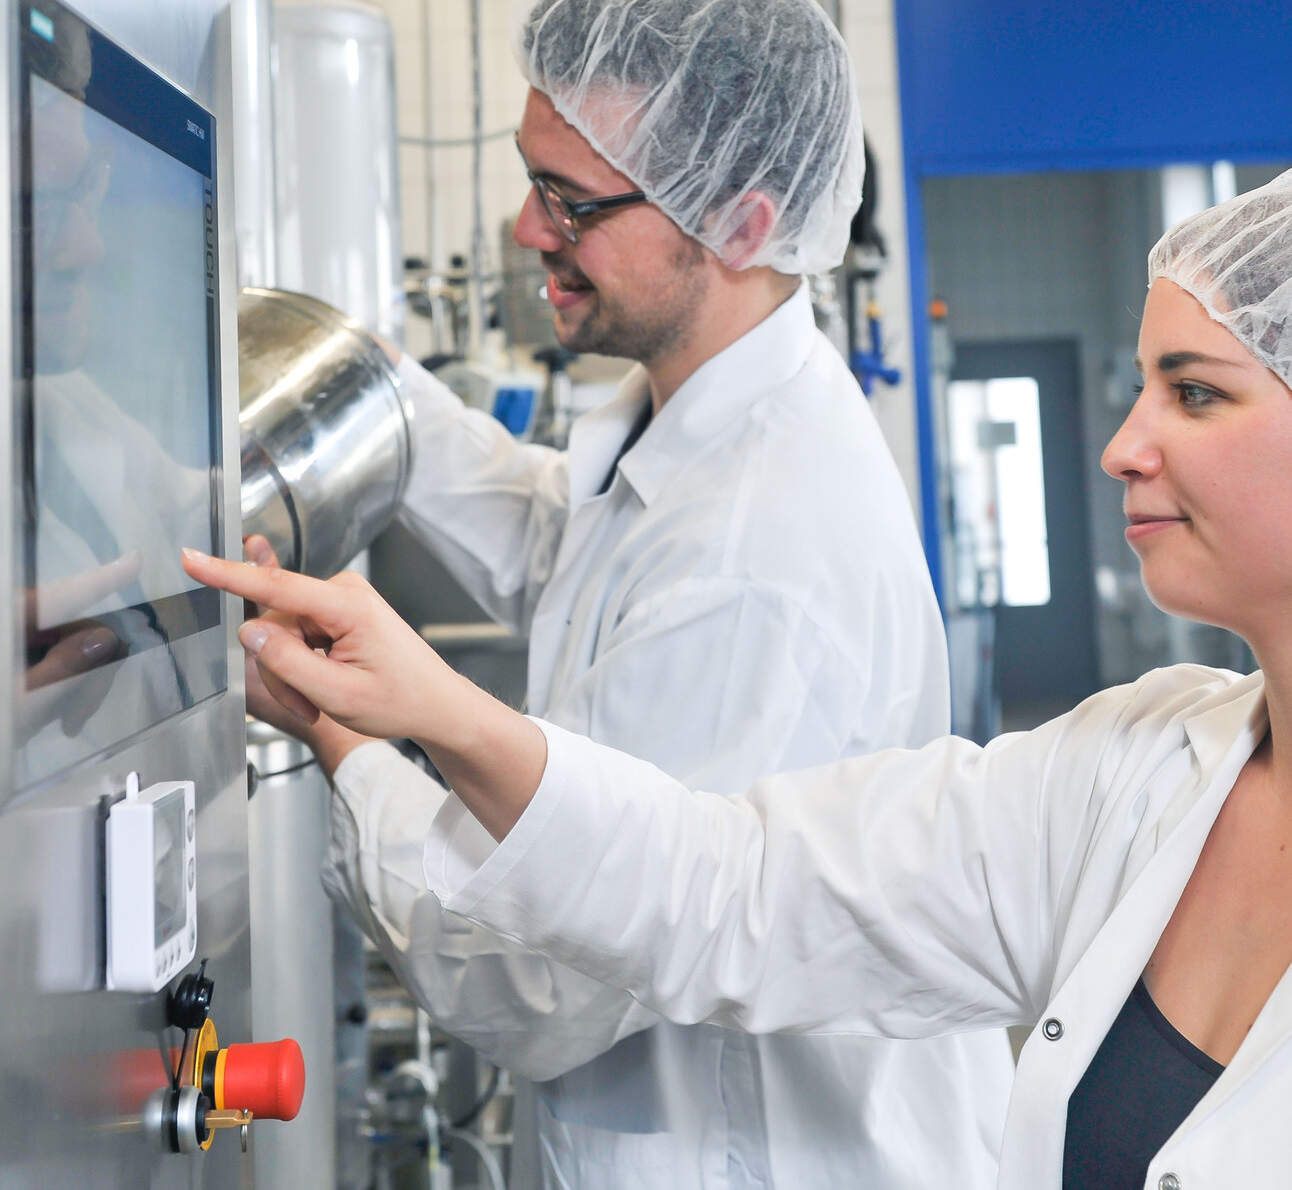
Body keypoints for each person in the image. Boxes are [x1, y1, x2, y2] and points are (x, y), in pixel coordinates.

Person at [189, 167, 1292, 1190]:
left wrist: (356, 744)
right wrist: (425, 705)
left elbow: (552, 984)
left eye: (1193, 394)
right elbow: (729, 883)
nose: (1119, 445)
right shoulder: (1135, 769)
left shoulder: (773, 537)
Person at [242, 0, 1014, 1190]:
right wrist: (356, 382)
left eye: (572, 202)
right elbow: (567, 538)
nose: (522, 228)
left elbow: (536, 977)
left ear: (742, 221)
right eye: (528, 180)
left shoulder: (758, 562)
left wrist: (340, 741)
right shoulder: (690, 415)